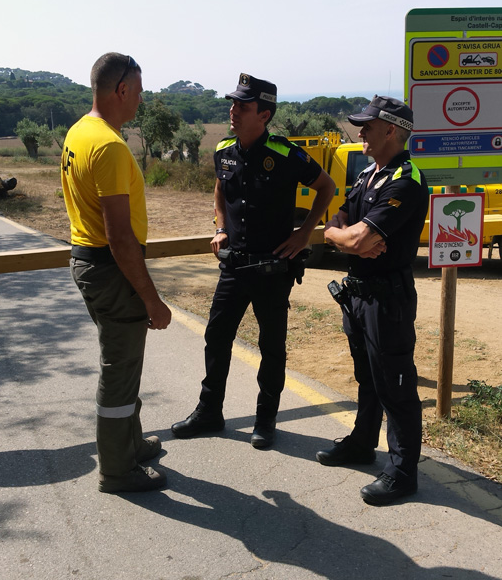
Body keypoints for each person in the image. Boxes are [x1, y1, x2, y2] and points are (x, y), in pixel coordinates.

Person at [171, 73, 335, 449]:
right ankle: (209, 412)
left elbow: (327, 187)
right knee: (216, 337)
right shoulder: (224, 150)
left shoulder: (285, 154)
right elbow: (219, 187)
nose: (233, 111)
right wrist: (219, 225)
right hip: (233, 265)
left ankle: (266, 419)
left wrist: (304, 232)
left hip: (272, 268)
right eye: (232, 104)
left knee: (272, 346)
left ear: (263, 114)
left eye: (242, 107)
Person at [60, 52, 172, 493]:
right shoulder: (107, 145)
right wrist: (152, 299)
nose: (142, 100)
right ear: (121, 90)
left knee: (126, 363)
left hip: (90, 261)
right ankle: (117, 469)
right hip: (110, 268)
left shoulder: (80, 131)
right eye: (140, 91)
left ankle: (131, 444)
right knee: (119, 369)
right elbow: (120, 237)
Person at [320, 95, 428, 506]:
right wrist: (343, 239)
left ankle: (403, 472)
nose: (360, 131)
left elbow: (359, 237)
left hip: (388, 299)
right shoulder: (369, 175)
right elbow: (338, 223)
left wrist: (352, 241)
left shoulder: (405, 180)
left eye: (367, 126)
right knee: (367, 379)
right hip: (359, 295)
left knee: (396, 386)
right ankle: (363, 443)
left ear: (392, 131)